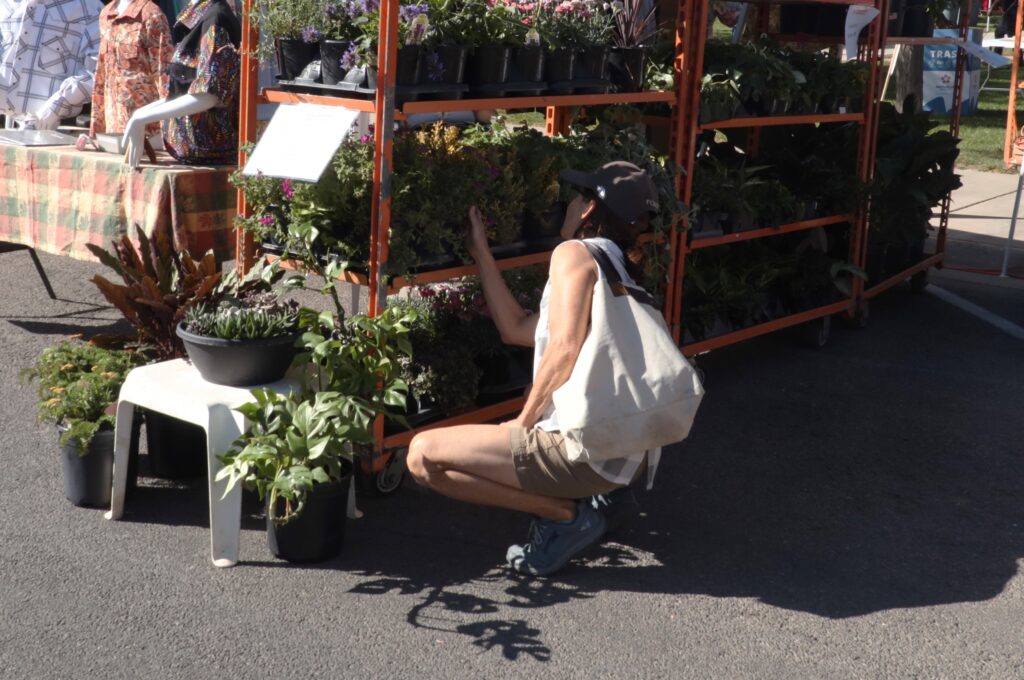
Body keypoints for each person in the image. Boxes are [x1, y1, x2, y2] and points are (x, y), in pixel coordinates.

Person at [406, 161, 661, 577]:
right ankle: (600, 501)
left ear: (588, 211)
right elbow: (517, 329)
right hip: (624, 453)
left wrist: (521, 425)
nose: (570, 202)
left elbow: (562, 348)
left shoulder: (574, 255)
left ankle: (564, 515)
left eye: (579, 196)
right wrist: (482, 254)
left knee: (422, 457)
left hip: (584, 453)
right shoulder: (620, 268)